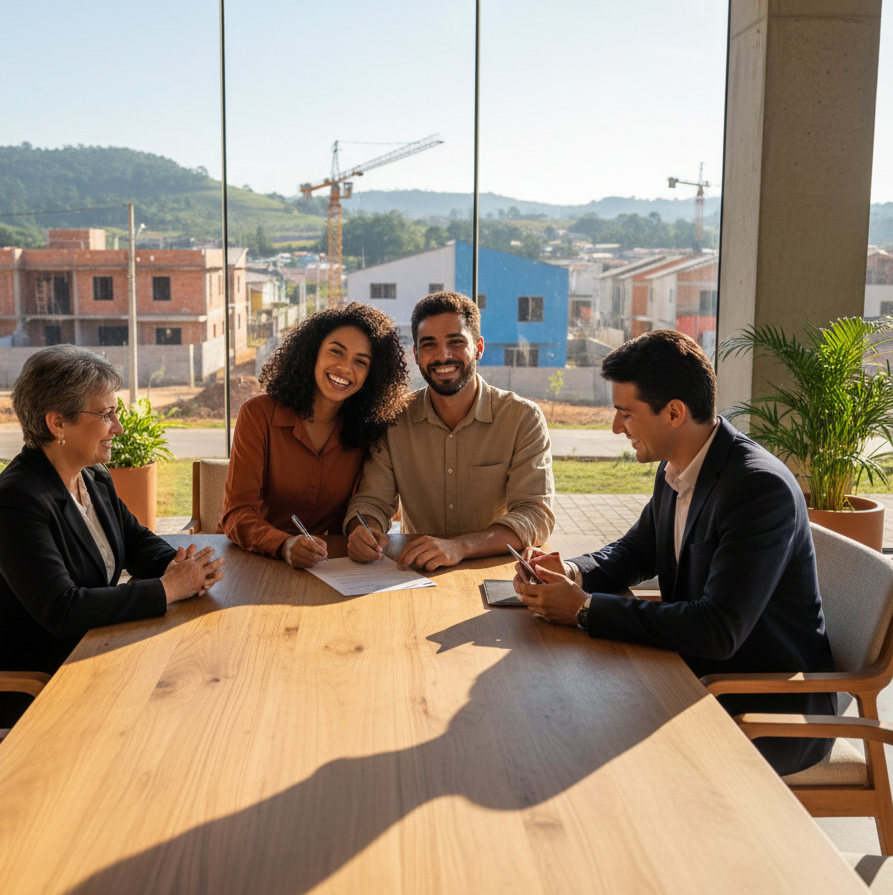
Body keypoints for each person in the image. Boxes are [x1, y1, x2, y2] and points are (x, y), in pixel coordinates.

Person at [512, 329, 836, 776]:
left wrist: (584, 610)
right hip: (696, 676)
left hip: (768, 709)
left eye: (625, 413)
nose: (614, 427)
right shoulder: (678, 467)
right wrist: (569, 571)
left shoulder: (758, 488)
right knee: (557, 718)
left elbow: (718, 630)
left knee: (583, 745)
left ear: (674, 413)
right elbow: (635, 551)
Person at [0, 345, 224, 730]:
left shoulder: (92, 477)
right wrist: (169, 589)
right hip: (10, 689)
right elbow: (63, 610)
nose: (118, 428)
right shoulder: (15, 501)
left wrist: (176, 565)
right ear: (58, 423)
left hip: (74, 660)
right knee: (168, 711)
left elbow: (137, 542)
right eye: (106, 415)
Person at [345, 291, 554, 570]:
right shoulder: (395, 419)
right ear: (417, 355)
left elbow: (535, 515)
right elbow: (371, 501)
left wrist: (460, 547)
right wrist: (363, 530)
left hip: (496, 570)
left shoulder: (522, 418)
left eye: (455, 342)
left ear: (479, 347)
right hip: (417, 571)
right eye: (429, 345)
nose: (442, 356)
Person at [220, 303, 409, 567]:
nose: (345, 368)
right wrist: (284, 545)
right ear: (313, 352)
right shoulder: (258, 415)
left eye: (360, 362)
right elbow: (236, 514)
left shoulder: (368, 430)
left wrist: (361, 532)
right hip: (252, 562)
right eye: (336, 352)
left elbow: (367, 501)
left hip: (327, 566)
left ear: (372, 374)